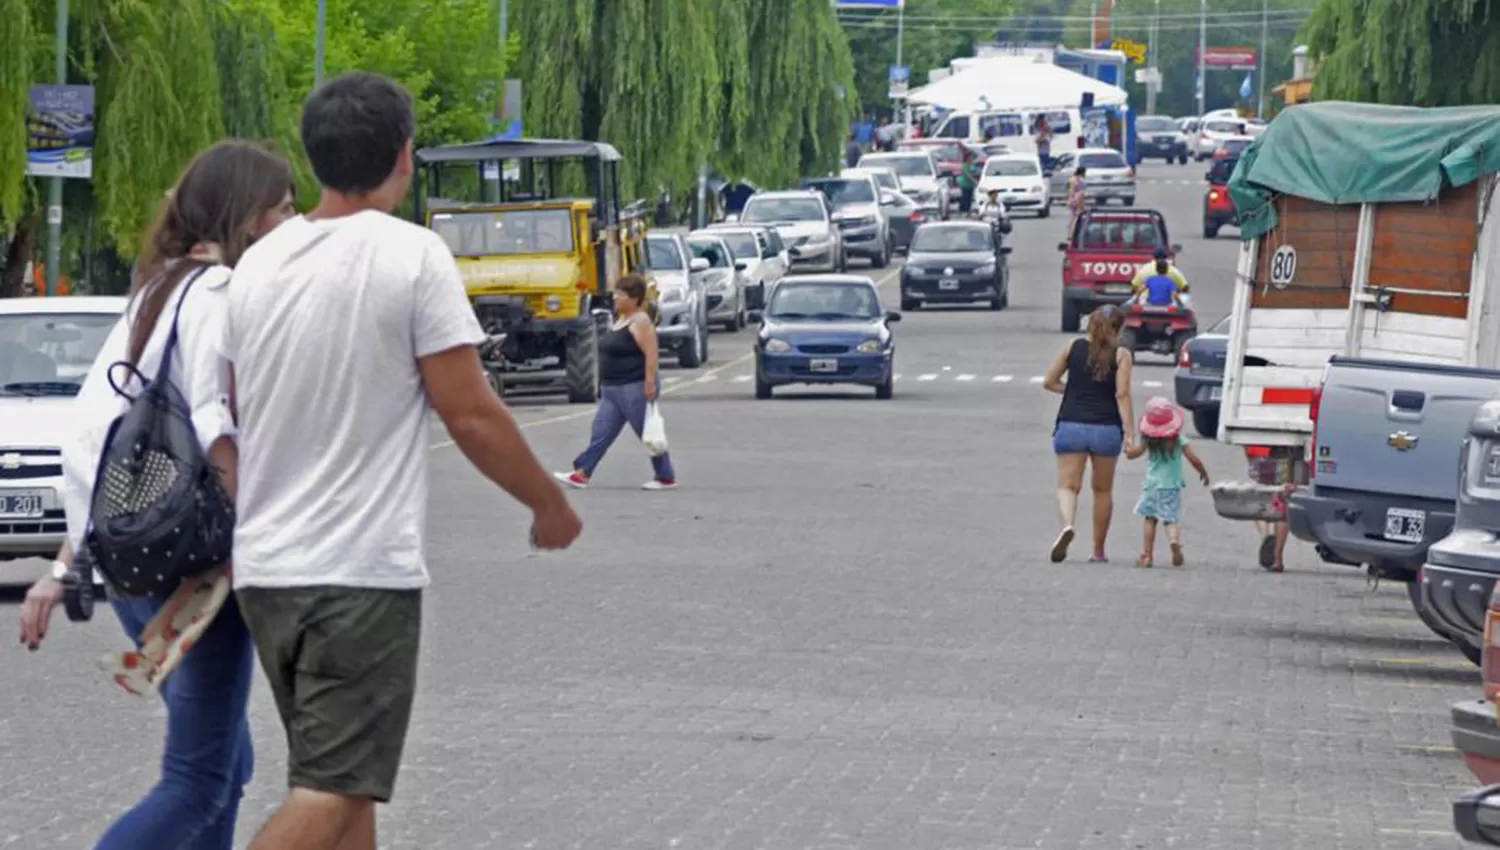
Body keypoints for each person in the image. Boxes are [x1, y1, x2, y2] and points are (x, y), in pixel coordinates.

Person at [222, 71, 583, 850]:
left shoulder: (258, 264)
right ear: (406, 157)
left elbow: (236, 409)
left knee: (348, 789)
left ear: (312, 157)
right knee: (330, 790)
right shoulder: (413, 256)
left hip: (267, 571)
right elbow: (471, 413)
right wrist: (546, 502)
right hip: (355, 573)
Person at [18, 140, 298, 850]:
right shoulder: (219, 293)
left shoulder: (158, 290)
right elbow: (214, 423)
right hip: (194, 554)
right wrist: (264, 530)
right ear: (247, 218)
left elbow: (94, 437)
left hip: (134, 550)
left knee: (227, 764)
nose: (294, 226)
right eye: (283, 209)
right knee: (199, 777)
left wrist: (68, 561)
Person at [554, 274, 678, 490]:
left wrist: (650, 382)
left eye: (620, 295)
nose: (615, 299)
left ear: (634, 298)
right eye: (616, 294)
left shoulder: (640, 321)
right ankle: (582, 473)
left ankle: (665, 476)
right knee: (601, 432)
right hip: (611, 388)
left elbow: (651, 353)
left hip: (633, 385)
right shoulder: (619, 321)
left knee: (647, 433)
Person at [1043, 309, 1138, 563]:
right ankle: (1098, 551)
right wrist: (1130, 433)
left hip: (1071, 424)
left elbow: (1049, 381)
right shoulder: (1121, 354)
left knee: (1068, 486)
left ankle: (1067, 526)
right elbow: (1122, 395)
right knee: (1103, 490)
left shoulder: (1072, 347)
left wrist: (1074, 392)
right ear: (1118, 330)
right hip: (1106, 430)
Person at [1125, 398, 1211, 568]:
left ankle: (1147, 556)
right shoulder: (1179, 439)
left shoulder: (1147, 439)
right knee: (1170, 519)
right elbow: (1194, 459)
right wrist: (1203, 473)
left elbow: (1135, 453)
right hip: (1171, 487)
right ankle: (1173, 541)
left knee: (1150, 519)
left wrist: (1128, 450)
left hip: (1151, 486)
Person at [957, 150, 981, 214]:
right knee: (965, 197)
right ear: (967, 158)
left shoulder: (971, 165)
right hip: (965, 184)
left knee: (969, 198)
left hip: (970, 185)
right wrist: (974, 181)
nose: (971, 159)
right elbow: (967, 174)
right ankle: (963, 210)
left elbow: (975, 172)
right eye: (970, 157)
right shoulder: (965, 165)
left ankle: (967, 210)